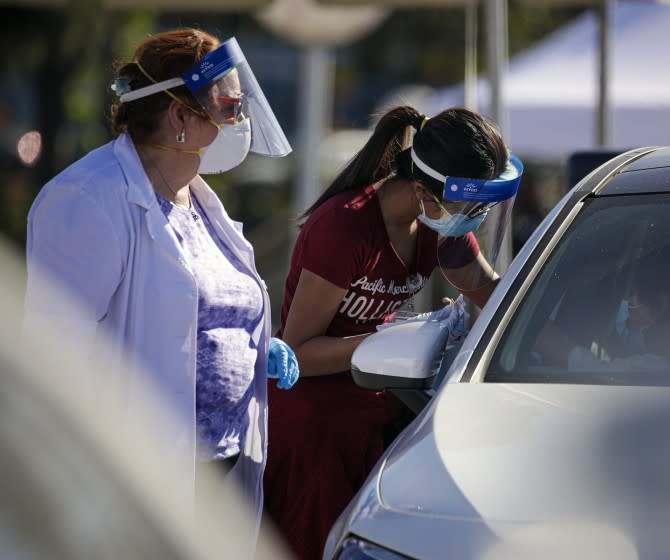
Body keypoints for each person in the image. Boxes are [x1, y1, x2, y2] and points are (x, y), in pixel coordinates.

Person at [23, 28, 298, 535]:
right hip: (139, 475)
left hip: (221, 463)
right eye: (231, 107)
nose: (240, 121)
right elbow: (52, 358)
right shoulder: (88, 199)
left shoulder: (195, 198)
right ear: (178, 117)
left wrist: (252, 346)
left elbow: (193, 312)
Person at [263, 105, 523, 559]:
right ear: (422, 190)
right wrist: (396, 341)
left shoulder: (441, 223)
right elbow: (298, 353)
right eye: (471, 205)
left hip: (376, 417)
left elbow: (496, 299)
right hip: (313, 434)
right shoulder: (345, 227)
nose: (476, 218)